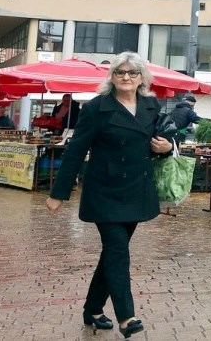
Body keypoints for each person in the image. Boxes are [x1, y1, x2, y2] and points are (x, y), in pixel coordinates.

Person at [45, 51, 173, 338]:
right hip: (105, 192)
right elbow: (75, 151)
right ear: (112, 77)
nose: (126, 78)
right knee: (118, 251)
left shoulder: (151, 106)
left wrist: (168, 148)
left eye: (132, 73)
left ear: (142, 78)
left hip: (136, 191)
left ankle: (92, 309)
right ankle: (127, 317)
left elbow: (166, 140)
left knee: (112, 254)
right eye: (120, 72)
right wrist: (59, 193)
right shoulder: (96, 108)